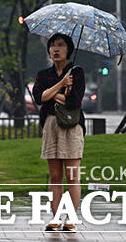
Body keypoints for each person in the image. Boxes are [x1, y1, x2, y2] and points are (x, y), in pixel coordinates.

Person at [32, 33, 85, 232]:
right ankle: (55, 218)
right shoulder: (43, 74)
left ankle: (70, 218)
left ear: (68, 50)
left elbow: (75, 102)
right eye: (53, 46)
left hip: (71, 126)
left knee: (72, 175)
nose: (56, 49)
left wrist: (53, 95)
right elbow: (39, 97)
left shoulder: (77, 72)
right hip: (51, 125)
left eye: (60, 45)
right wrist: (61, 86)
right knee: (55, 176)